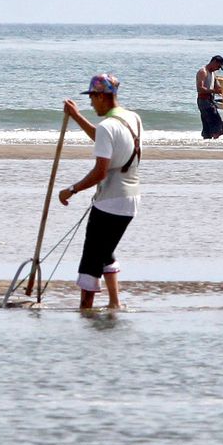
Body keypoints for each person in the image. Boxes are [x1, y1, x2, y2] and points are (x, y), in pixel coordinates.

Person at [58, 73, 142, 311]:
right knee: (105, 251)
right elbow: (105, 139)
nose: (91, 103)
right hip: (131, 199)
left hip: (110, 202)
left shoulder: (107, 126)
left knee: (91, 258)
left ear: (102, 96)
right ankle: (115, 303)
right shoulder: (132, 118)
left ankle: (85, 310)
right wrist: (76, 117)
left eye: (92, 98)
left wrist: (71, 190)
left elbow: (100, 172)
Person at [196, 55, 223, 139]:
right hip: (203, 100)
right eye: (218, 66)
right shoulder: (203, 72)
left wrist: (222, 90)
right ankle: (214, 143)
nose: (218, 69)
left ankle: (207, 144)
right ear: (214, 62)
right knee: (217, 124)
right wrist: (214, 91)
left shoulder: (213, 73)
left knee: (207, 125)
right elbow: (200, 88)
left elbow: (216, 87)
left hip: (209, 100)